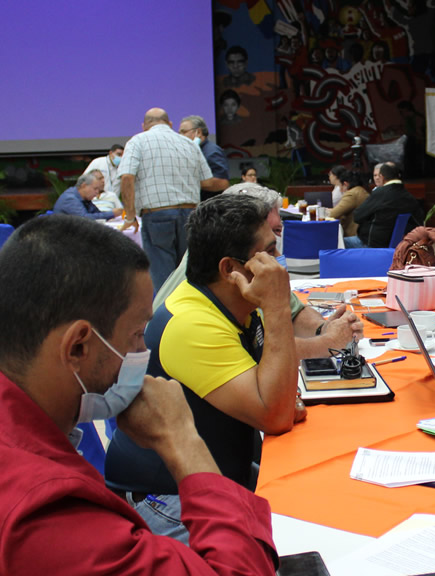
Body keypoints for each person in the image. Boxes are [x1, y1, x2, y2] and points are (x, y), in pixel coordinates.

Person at [0, 215, 278, 574]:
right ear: (78, 346)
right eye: (136, 333)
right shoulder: (44, 517)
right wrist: (183, 443)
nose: (143, 350)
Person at [105, 195, 303, 544]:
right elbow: (275, 415)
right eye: (268, 254)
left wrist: (279, 398)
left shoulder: (238, 304)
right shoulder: (191, 324)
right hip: (167, 496)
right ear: (231, 269)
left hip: (219, 474)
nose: (278, 267)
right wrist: (276, 305)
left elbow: (274, 395)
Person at [152, 182, 365, 359]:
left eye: (277, 232)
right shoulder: (203, 299)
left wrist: (322, 329)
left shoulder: (238, 269)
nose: (276, 254)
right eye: (269, 245)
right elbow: (265, 357)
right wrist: (329, 342)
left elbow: (294, 311)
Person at [118, 108, 224, 291]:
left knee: (163, 277)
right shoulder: (189, 144)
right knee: (190, 271)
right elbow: (207, 181)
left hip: (157, 214)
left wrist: (130, 215)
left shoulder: (137, 141)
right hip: (191, 213)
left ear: (144, 126)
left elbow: (127, 177)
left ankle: (165, 317)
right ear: (170, 124)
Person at [348, 162, 423, 248]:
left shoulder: (379, 193)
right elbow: (418, 222)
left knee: (339, 242)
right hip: (397, 245)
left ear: (382, 177)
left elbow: (357, 216)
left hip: (371, 244)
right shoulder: (408, 196)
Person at [179, 115, 230, 202]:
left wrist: (188, 181)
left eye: (184, 132)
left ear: (198, 132)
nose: (180, 136)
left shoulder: (212, 152)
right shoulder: (193, 150)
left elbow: (222, 183)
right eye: (179, 133)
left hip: (210, 207)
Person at [53, 173, 123, 220]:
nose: (97, 192)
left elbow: (97, 213)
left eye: (98, 189)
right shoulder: (70, 198)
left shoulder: (85, 198)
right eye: (95, 189)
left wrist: (111, 214)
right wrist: (111, 213)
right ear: (84, 185)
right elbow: (84, 219)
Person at [327, 165, 369, 239]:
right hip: (363, 235)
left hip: (354, 236)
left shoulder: (351, 194)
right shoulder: (361, 190)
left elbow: (333, 214)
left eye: (340, 186)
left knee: (330, 242)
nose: (340, 189)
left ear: (345, 184)